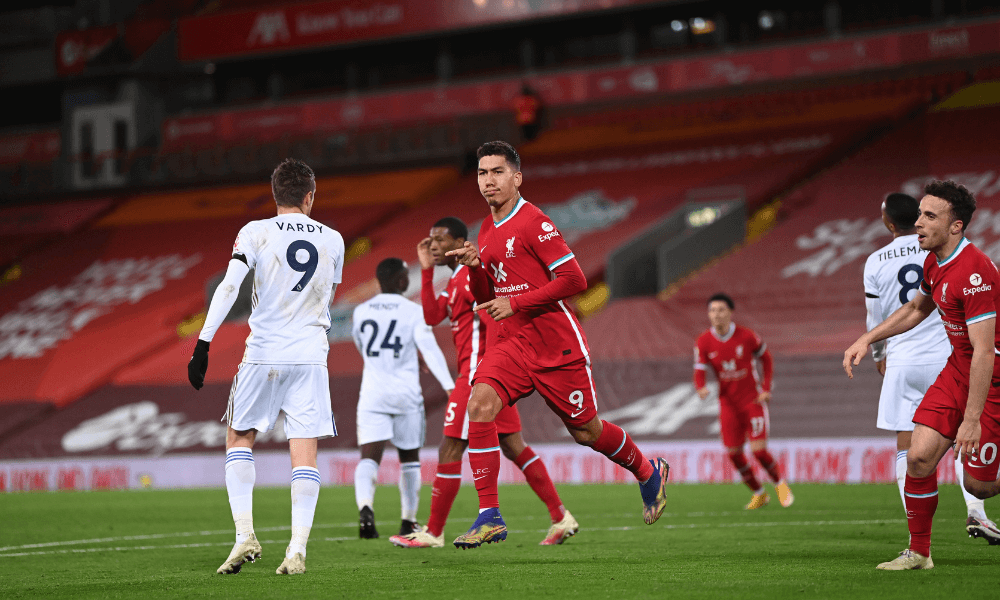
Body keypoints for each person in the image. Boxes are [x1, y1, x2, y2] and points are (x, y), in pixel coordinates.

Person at [446, 140, 669, 549]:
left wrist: (515, 301)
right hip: (511, 344)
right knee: (479, 406)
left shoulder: (535, 222)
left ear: (517, 177)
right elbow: (485, 296)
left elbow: (575, 281)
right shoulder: (486, 227)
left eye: (498, 172)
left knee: (586, 432)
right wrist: (477, 269)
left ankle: (647, 472)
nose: (489, 180)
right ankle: (489, 515)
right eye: (482, 173)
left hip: (554, 345)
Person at [187, 158, 345, 576]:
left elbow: (230, 286)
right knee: (304, 453)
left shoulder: (254, 231)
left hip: (264, 351)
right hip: (311, 355)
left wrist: (203, 343)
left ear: (275, 195)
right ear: (310, 196)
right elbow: (325, 297)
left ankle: (244, 535)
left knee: (239, 438)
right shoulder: (334, 239)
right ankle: (296, 551)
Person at [389, 217, 577, 549]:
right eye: (430, 238)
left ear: (460, 242)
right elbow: (433, 316)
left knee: (450, 447)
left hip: (480, 375)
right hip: (488, 376)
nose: (433, 244)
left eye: (440, 239)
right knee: (513, 446)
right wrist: (428, 270)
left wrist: (491, 369)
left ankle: (433, 531)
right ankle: (560, 515)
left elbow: (496, 316)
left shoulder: (475, 277)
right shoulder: (456, 279)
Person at [844, 180, 1000, 570]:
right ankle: (919, 553)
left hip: (990, 378)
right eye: (919, 214)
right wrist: (868, 338)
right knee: (918, 459)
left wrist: (971, 419)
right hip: (955, 371)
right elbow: (917, 309)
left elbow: (985, 353)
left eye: (930, 216)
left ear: (955, 226)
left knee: (978, 485)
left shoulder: (976, 272)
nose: (919, 223)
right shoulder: (933, 261)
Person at [351, 258, 455, 540]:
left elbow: (362, 346)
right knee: (409, 458)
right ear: (399, 280)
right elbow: (430, 348)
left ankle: (365, 508)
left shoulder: (360, 312)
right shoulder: (413, 311)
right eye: (405, 274)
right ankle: (408, 521)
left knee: (369, 458)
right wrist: (448, 385)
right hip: (405, 394)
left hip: (372, 392)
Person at [694, 293, 793, 509]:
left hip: (752, 400)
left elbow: (766, 358)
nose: (716, 314)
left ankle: (780, 483)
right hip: (728, 404)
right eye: (712, 310)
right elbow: (699, 369)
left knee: (758, 450)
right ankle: (759, 493)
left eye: (721, 310)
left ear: (730, 312)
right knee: (733, 454)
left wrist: (766, 388)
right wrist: (700, 387)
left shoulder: (747, 336)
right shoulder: (703, 341)